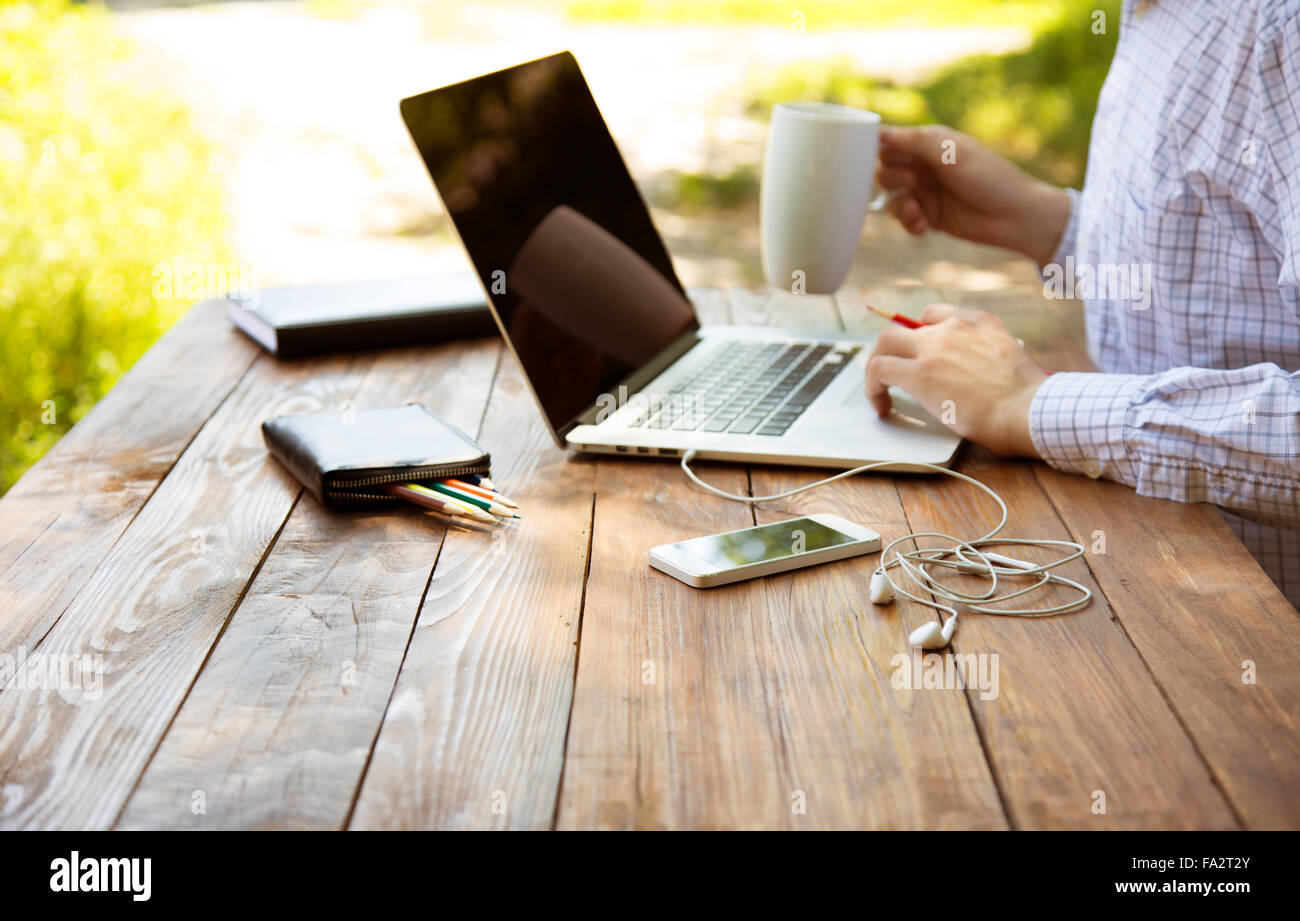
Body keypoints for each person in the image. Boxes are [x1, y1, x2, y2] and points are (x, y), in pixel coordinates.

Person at [866, 0, 1300, 607]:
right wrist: (1037, 220)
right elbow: (1213, 273)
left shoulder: (1280, 26)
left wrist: (1031, 404)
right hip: (1142, 567)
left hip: (1261, 636)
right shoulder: (1154, 13)